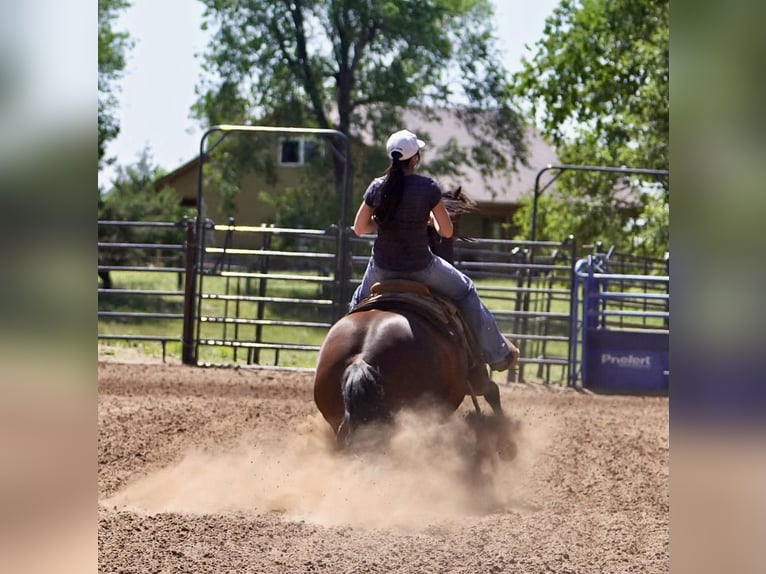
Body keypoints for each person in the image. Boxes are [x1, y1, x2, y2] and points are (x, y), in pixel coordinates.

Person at [349, 129, 515, 371]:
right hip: (421, 268)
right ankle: (497, 354)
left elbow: (359, 228)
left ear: (391, 158)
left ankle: (348, 356)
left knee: (356, 302)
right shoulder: (428, 187)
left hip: (382, 269)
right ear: (415, 158)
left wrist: (385, 221)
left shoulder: (377, 187)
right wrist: (427, 220)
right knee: (467, 291)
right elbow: (446, 232)